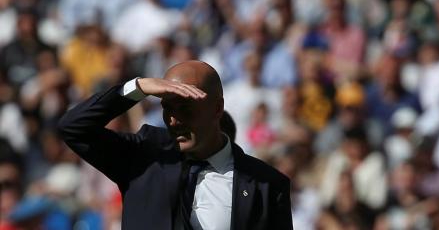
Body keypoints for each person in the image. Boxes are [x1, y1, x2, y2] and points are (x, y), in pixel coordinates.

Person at [58, 60, 293, 229]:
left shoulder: (266, 185)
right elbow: (74, 127)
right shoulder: (145, 155)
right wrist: (137, 88)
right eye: (167, 108)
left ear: (217, 109)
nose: (173, 120)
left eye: (185, 109)